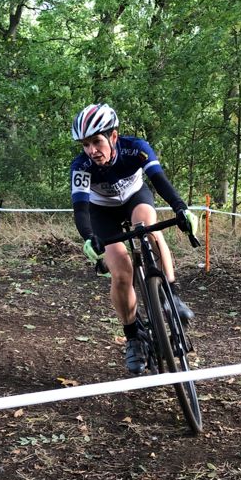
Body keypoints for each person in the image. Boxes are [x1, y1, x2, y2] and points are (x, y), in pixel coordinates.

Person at [70, 103, 198, 375]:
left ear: (113, 136)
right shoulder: (81, 166)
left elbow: (159, 180)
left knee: (149, 228)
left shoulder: (136, 148)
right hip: (101, 212)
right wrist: (89, 237)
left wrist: (180, 208)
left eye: (96, 141)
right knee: (121, 272)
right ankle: (133, 337)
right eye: (85, 144)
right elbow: (80, 209)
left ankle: (172, 297)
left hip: (135, 198)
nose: (91, 150)